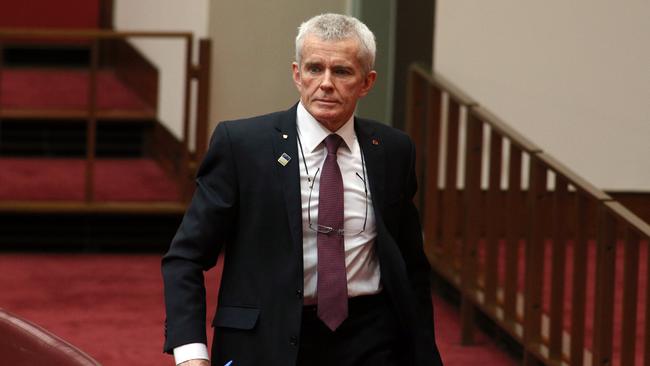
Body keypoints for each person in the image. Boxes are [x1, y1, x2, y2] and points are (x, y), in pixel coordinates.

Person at [162, 13, 443, 366]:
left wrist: (424, 352)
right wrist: (190, 353)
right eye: (314, 69)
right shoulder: (243, 146)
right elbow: (185, 257)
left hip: (371, 336)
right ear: (297, 75)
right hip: (268, 339)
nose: (325, 83)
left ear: (367, 82)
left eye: (341, 72)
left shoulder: (393, 149)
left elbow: (410, 265)